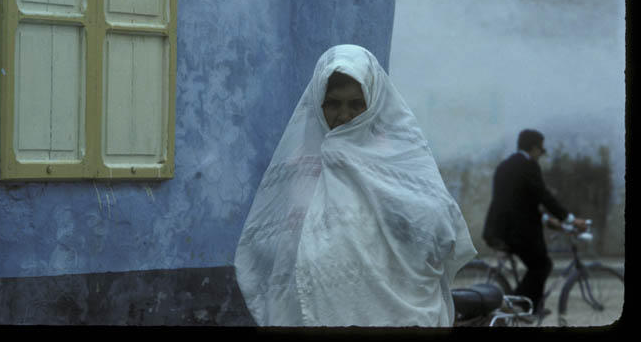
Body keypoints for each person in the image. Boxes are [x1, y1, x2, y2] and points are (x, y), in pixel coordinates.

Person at [234, 44, 477, 326]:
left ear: (373, 104)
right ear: (317, 104)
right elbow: (279, 246)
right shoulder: (300, 165)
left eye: (356, 104)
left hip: (394, 315)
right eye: (333, 104)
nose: (345, 115)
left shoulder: (397, 159)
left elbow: (438, 232)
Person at [482, 129, 587, 317]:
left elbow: (519, 201)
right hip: (516, 231)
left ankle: (530, 307)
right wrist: (570, 219)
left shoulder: (505, 165)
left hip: (498, 229)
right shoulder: (529, 165)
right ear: (534, 148)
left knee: (538, 263)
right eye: (541, 150)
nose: (541, 155)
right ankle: (516, 304)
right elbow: (543, 195)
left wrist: (547, 219)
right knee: (542, 265)